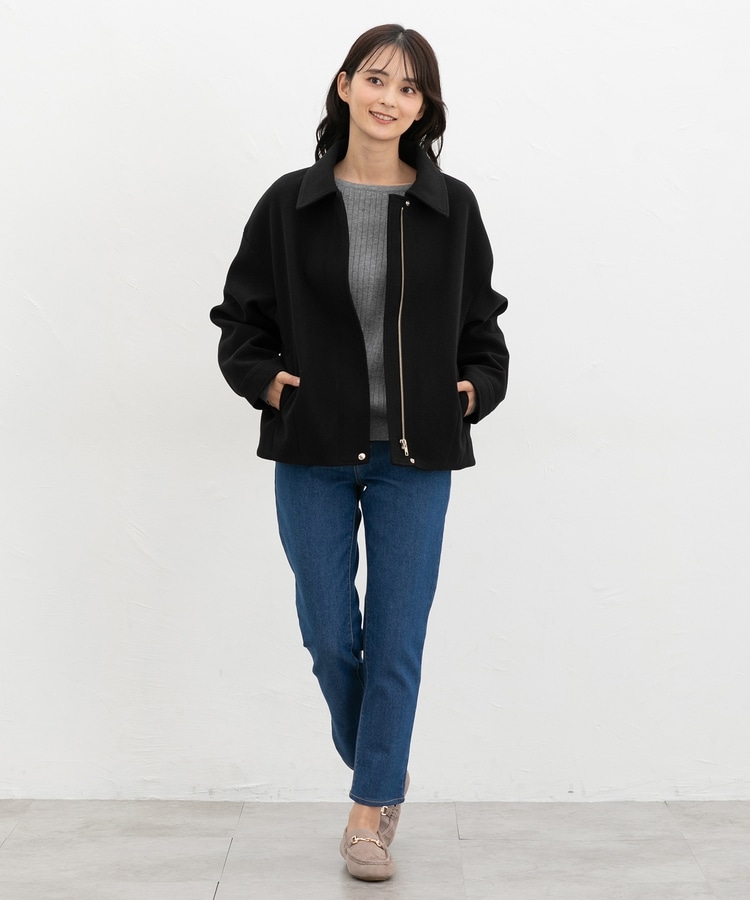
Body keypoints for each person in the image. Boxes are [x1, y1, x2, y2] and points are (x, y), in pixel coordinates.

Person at [210, 23, 509, 882]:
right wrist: (269, 385)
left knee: (398, 638)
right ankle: (384, 763)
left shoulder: (451, 208)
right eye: (377, 79)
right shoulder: (289, 203)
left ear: (424, 108)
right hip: (313, 447)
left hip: (417, 456)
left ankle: (369, 812)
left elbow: (483, 325)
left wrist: (475, 388)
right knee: (330, 634)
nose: (390, 99)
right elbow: (240, 321)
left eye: (409, 88)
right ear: (344, 86)